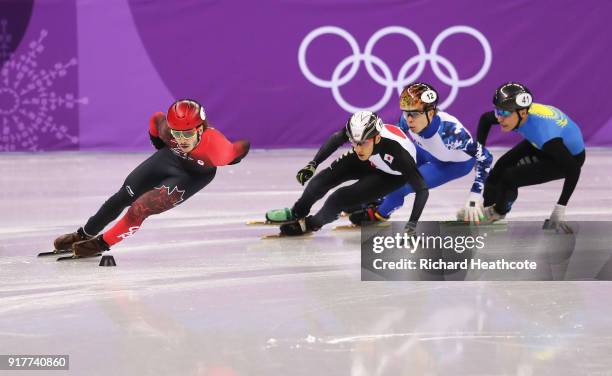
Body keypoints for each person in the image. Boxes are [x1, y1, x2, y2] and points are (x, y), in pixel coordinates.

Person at [52, 99, 250, 257]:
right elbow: (155, 119)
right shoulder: (168, 132)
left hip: (193, 176)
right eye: (177, 133)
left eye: (187, 134)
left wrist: (234, 159)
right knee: (122, 196)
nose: (181, 140)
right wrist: (159, 145)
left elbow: (242, 146)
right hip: (169, 159)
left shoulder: (218, 150)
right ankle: (83, 234)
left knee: (140, 208)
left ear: (200, 129)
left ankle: (100, 244)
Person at [348, 82, 493, 225]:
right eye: (406, 112)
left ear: (430, 113)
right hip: (426, 151)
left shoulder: (450, 133)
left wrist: (475, 193)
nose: (409, 119)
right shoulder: (406, 121)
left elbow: (485, 156)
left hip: (453, 165)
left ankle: (380, 214)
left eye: (415, 114)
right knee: (384, 166)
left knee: (401, 186)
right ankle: (374, 197)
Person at [265, 110, 429, 236]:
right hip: (370, 159)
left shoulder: (399, 154)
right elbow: (336, 138)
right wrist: (313, 164)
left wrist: (412, 225)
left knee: (338, 198)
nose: (357, 148)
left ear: (377, 138)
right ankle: (298, 211)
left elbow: (422, 190)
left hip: (391, 175)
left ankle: (311, 223)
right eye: (354, 142)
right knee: (321, 180)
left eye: (362, 143)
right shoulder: (360, 136)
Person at [480, 82, 585, 227]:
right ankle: (489, 212)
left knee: (510, 177)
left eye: (503, 113)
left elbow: (573, 169)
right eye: (497, 111)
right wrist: (480, 152)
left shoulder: (546, 135)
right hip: (539, 144)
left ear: (522, 113)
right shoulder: (516, 112)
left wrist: (560, 208)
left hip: (567, 157)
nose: (499, 118)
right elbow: (485, 119)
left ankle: (498, 213)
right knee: (498, 169)